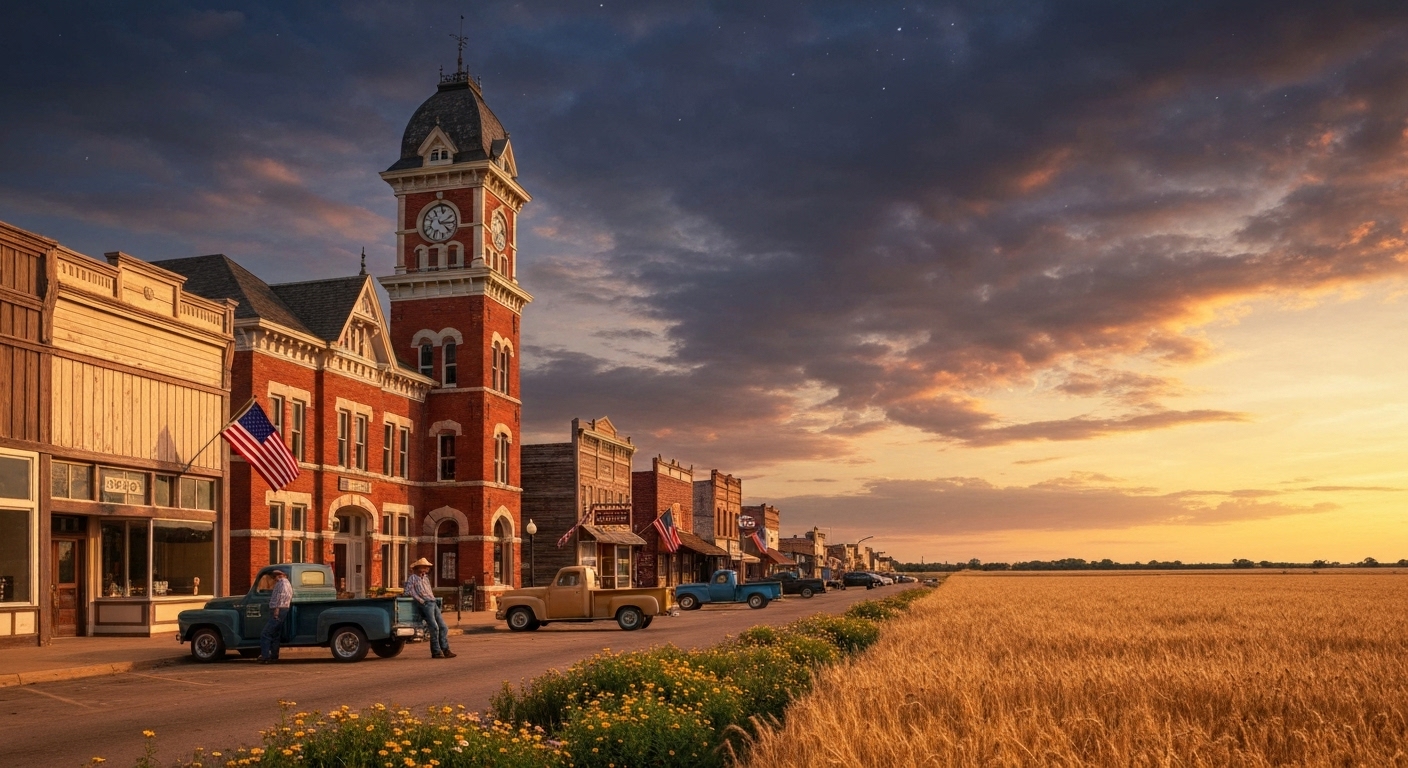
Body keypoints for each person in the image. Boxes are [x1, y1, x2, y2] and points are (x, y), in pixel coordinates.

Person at [405, 558, 454, 658]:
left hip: (432, 602)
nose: (427, 568)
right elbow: (408, 591)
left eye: (427, 567)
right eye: (425, 567)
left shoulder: (426, 578)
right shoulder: (413, 578)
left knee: (443, 627)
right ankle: (436, 651)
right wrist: (420, 600)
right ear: (419, 568)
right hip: (426, 603)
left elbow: (429, 591)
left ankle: (446, 649)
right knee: (434, 627)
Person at [260, 569, 293, 664]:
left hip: (278, 609)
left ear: (278, 576)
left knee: (266, 634)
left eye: (274, 577)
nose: (274, 579)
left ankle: (265, 656)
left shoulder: (282, 583)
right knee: (275, 634)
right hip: (282, 609)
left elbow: (280, 596)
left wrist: (277, 609)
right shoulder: (286, 583)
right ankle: (273, 656)